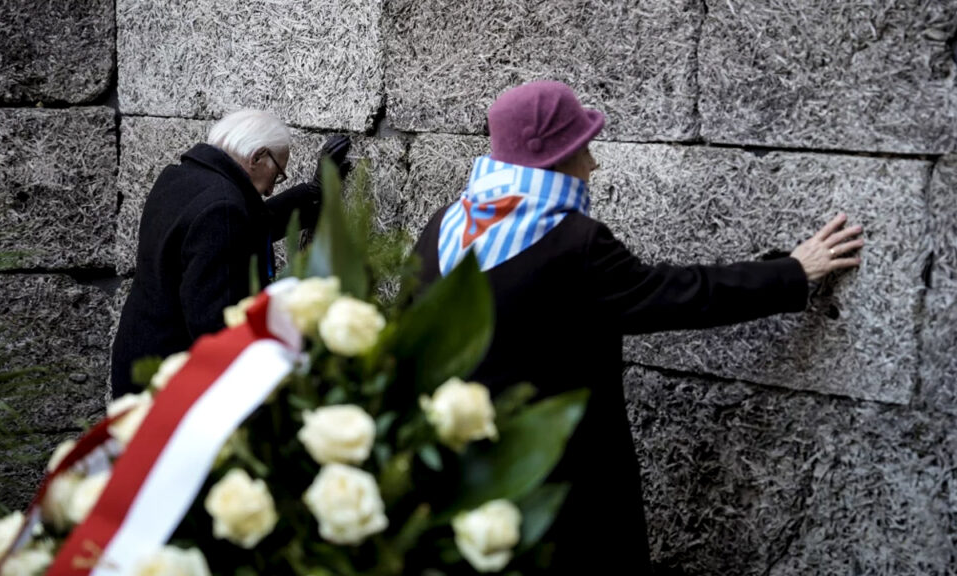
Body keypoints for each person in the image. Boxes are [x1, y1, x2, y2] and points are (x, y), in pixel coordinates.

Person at [410, 81, 863, 573]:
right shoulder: (573, 243)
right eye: (584, 148)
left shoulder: (441, 228)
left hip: (460, 476)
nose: (593, 164)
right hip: (561, 485)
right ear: (559, 158)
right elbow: (674, 295)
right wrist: (792, 271)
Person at [111, 109, 351, 398]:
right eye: (278, 173)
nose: (272, 188)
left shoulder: (181, 179)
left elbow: (247, 224)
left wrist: (314, 192)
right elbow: (215, 325)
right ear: (257, 157)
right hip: (171, 384)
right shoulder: (222, 209)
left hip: (140, 360)